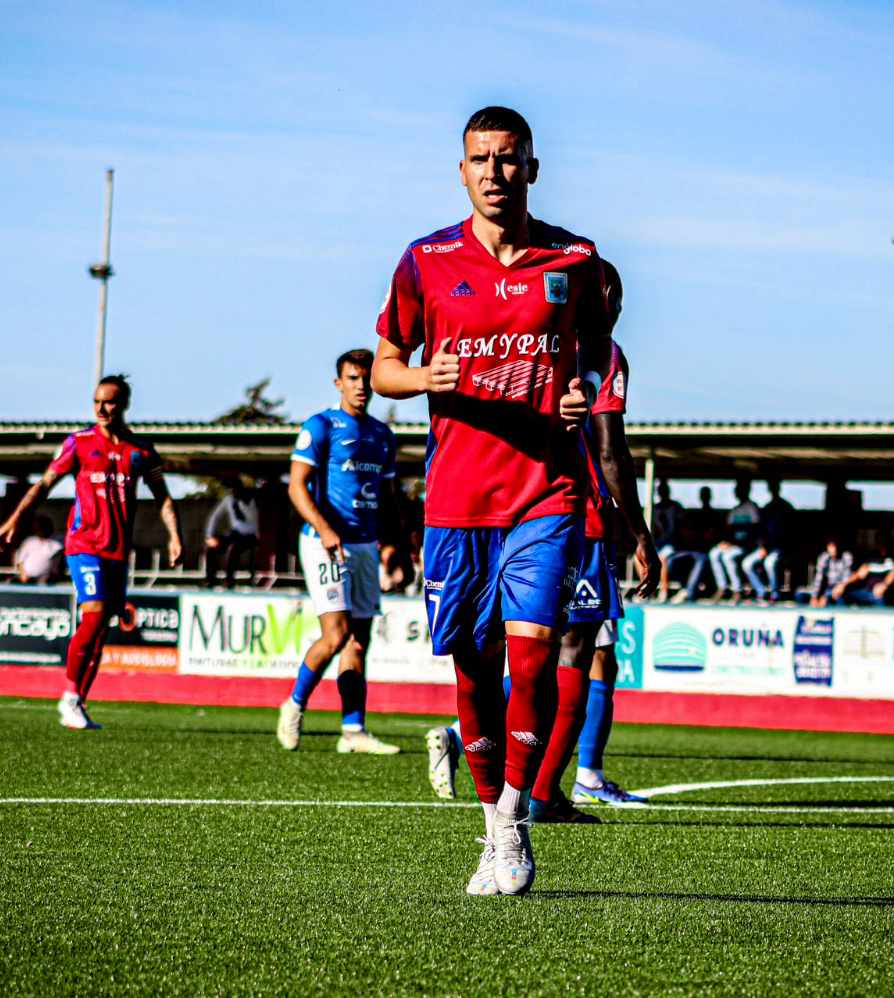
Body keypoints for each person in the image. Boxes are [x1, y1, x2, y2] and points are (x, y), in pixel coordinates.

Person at [370, 106, 611, 897]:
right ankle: (490, 822)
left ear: (533, 167)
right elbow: (384, 369)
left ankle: (513, 823)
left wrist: (580, 392)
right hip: (456, 499)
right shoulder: (424, 261)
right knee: (474, 673)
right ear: (462, 169)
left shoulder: (573, 260)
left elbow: (597, 351)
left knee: (535, 650)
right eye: (481, 159)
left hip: (546, 490)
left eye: (510, 159)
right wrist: (424, 380)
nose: (495, 173)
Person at [429, 261, 661, 822]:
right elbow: (610, 450)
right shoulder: (596, 355)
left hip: (531, 509)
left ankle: (548, 775)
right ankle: (539, 789)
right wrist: (641, 534)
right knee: (577, 655)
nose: (617, 310)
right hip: (572, 515)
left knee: (557, 653)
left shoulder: (534, 339)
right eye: (615, 300)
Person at [0, 374, 184, 731]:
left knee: (101, 631)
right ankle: (67, 697)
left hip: (118, 553)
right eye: (96, 401)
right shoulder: (79, 443)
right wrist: (15, 519)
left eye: (108, 401)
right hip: (84, 546)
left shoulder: (141, 450)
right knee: (92, 616)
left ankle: (77, 704)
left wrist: (175, 534)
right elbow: (44, 484)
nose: (101, 408)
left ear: (124, 403)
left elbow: (164, 497)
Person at [277, 349, 402, 756]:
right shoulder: (321, 426)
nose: (361, 387)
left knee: (358, 643)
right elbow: (296, 487)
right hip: (324, 543)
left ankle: (353, 730)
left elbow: (389, 499)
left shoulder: (383, 436)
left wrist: (394, 547)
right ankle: (294, 706)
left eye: (367, 379)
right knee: (336, 636)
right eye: (353, 379)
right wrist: (326, 529)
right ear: (339, 383)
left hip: (365, 546)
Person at [661, 486, 715, 603]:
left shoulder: (713, 515)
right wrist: (697, 533)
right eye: (703, 495)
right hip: (688, 550)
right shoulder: (696, 514)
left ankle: (690, 593)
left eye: (706, 495)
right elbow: (685, 533)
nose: (704, 498)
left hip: (705, 552)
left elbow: (708, 536)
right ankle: (685, 588)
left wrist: (696, 533)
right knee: (671, 561)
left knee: (701, 560)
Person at [709, 478, 761, 600]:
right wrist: (726, 541)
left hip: (747, 545)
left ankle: (738, 589)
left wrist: (735, 542)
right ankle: (723, 587)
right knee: (714, 553)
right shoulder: (735, 509)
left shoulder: (752, 507)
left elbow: (754, 529)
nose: (737, 493)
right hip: (734, 544)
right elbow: (729, 530)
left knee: (728, 556)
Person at [743, 478, 793, 602]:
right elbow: (761, 530)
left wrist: (771, 547)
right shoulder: (767, 508)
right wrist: (762, 546)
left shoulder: (786, 508)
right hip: (767, 547)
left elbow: (788, 531)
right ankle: (762, 592)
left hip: (782, 547)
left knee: (770, 562)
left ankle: (775, 594)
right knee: (747, 564)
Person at [204, 482, 260, 587]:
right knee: (210, 548)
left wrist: (240, 503)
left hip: (250, 535)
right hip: (235, 534)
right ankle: (211, 578)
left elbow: (250, 517)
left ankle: (229, 579)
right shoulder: (228, 499)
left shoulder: (250, 500)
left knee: (233, 548)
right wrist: (209, 536)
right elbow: (215, 516)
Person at [836, 535, 894, 606]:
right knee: (842, 595)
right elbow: (860, 574)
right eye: (879, 542)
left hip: (885, 593)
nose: (882, 544)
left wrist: (884, 585)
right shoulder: (872, 557)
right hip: (867, 592)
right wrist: (844, 584)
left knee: (879, 597)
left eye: (885, 542)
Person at [13, 515, 63, 584]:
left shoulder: (59, 539)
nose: (37, 530)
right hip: (27, 577)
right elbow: (20, 561)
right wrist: (23, 574)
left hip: (47, 577)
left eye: (39, 527)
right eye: (35, 528)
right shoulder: (29, 541)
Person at [806, 537, 854, 607]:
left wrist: (826, 595)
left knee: (838, 598)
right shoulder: (824, 557)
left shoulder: (846, 557)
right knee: (800, 595)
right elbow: (818, 579)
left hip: (841, 589)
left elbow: (845, 580)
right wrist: (814, 597)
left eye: (835, 546)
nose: (834, 549)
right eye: (831, 546)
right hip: (827, 588)